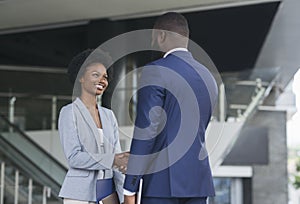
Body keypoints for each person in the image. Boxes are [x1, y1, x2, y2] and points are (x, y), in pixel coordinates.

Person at [123, 12, 218, 204]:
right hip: (199, 182)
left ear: (161, 35)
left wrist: (130, 187)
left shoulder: (156, 70)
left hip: (162, 182)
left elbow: (147, 131)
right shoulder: (208, 76)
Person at [58, 49, 127, 204]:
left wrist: (125, 195)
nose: (102, 80)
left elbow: (116, 158)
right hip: (79, 193)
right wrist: (113, 160)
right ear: (81, 78)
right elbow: (74, 158)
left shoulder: (109, 115)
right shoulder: (69, 112)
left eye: (105, 77)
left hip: (109, 191)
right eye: (95, 75)